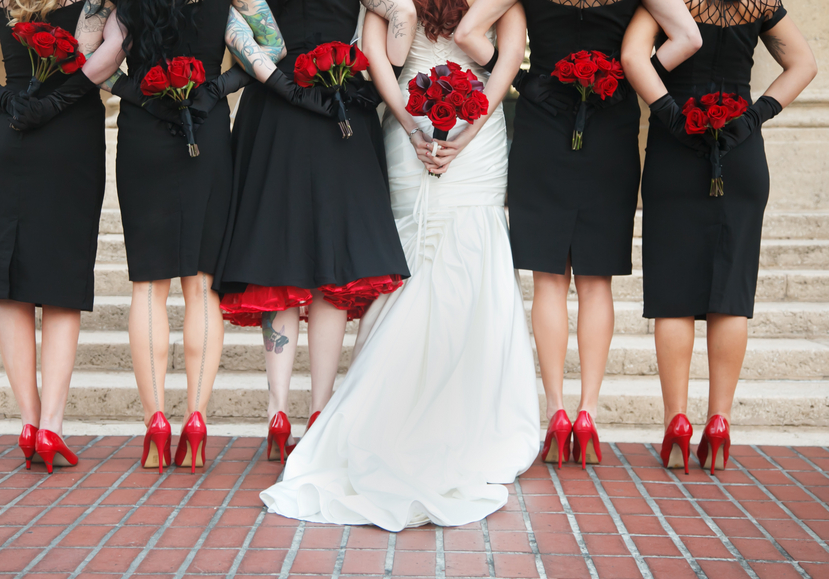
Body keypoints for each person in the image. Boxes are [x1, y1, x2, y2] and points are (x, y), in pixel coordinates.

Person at [260, 0, 538, 532]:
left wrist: (413, 124)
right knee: (428, 256)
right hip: (454, 133)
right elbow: (505, 67)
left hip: (440, 133)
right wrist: (437, 126)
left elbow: (379, 56)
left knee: (457, 250)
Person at [455, 0, 701, 468]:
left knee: (548, 277)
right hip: (611, 128)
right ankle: (588, 412)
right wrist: (631, 76)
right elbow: (688, 37)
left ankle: (557, 411)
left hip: (542, 122)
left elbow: (469, 32)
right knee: (595, 281)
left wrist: (527, 80)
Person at [72, 0, 282, 473]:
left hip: (143, 131)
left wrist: (136, 93)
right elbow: (272, 46)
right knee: (201, 282)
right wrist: (219, 86)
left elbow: (82, 56)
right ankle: (196, 422)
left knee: (148, 283)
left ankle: (156, 426)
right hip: (205, 129)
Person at [213, 0, 417, 463]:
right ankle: (320, 410)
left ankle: (277, 410)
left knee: (276, 262)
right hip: (340, 102)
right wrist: (378, 75)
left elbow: (241, 35)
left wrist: (281, 80)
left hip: (273, 108)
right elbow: (402, 13)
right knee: (332, 267)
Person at [622, 0, 816, 473]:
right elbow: (804, 64)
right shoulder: (759, 2)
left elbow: (632, 57)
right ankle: (720, 424)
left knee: (673, 294)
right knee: (730, 293)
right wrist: (753, 116)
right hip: (740, 146)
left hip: (677, 147)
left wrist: (669, 114)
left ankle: (677, 424)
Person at [0, 0, 109, 473]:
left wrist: (3, 97)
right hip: (71, 133)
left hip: (13, 133)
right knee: (62, 286)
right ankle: (51, 427)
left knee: (11, 284)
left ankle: (28, 423)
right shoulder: (94, 3)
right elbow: (107, 58)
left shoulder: (1, 1)